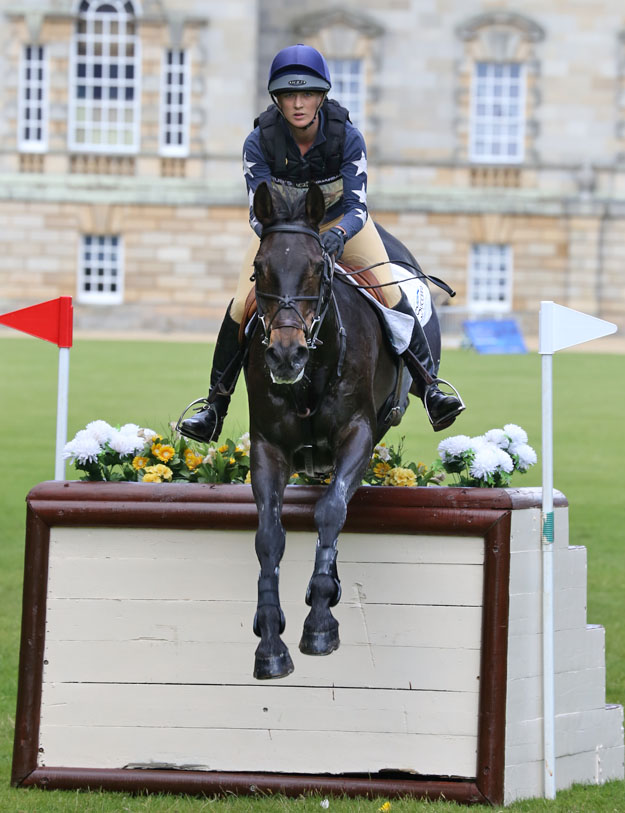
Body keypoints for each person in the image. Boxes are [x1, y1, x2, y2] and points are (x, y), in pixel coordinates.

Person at [179, 44, 464, 443]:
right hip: (282, 232)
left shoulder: (347, 137)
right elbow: (257, 211)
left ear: (321, 96)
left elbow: (357, 206)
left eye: (307, 94)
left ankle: (431, 387)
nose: (298, 104)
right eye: (289, 95)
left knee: (390, 294)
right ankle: (214, 406)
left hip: (342, 226)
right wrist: (291, 243)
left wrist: (336, 234)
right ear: (277, 99)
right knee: (240, 306)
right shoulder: (258, 142)